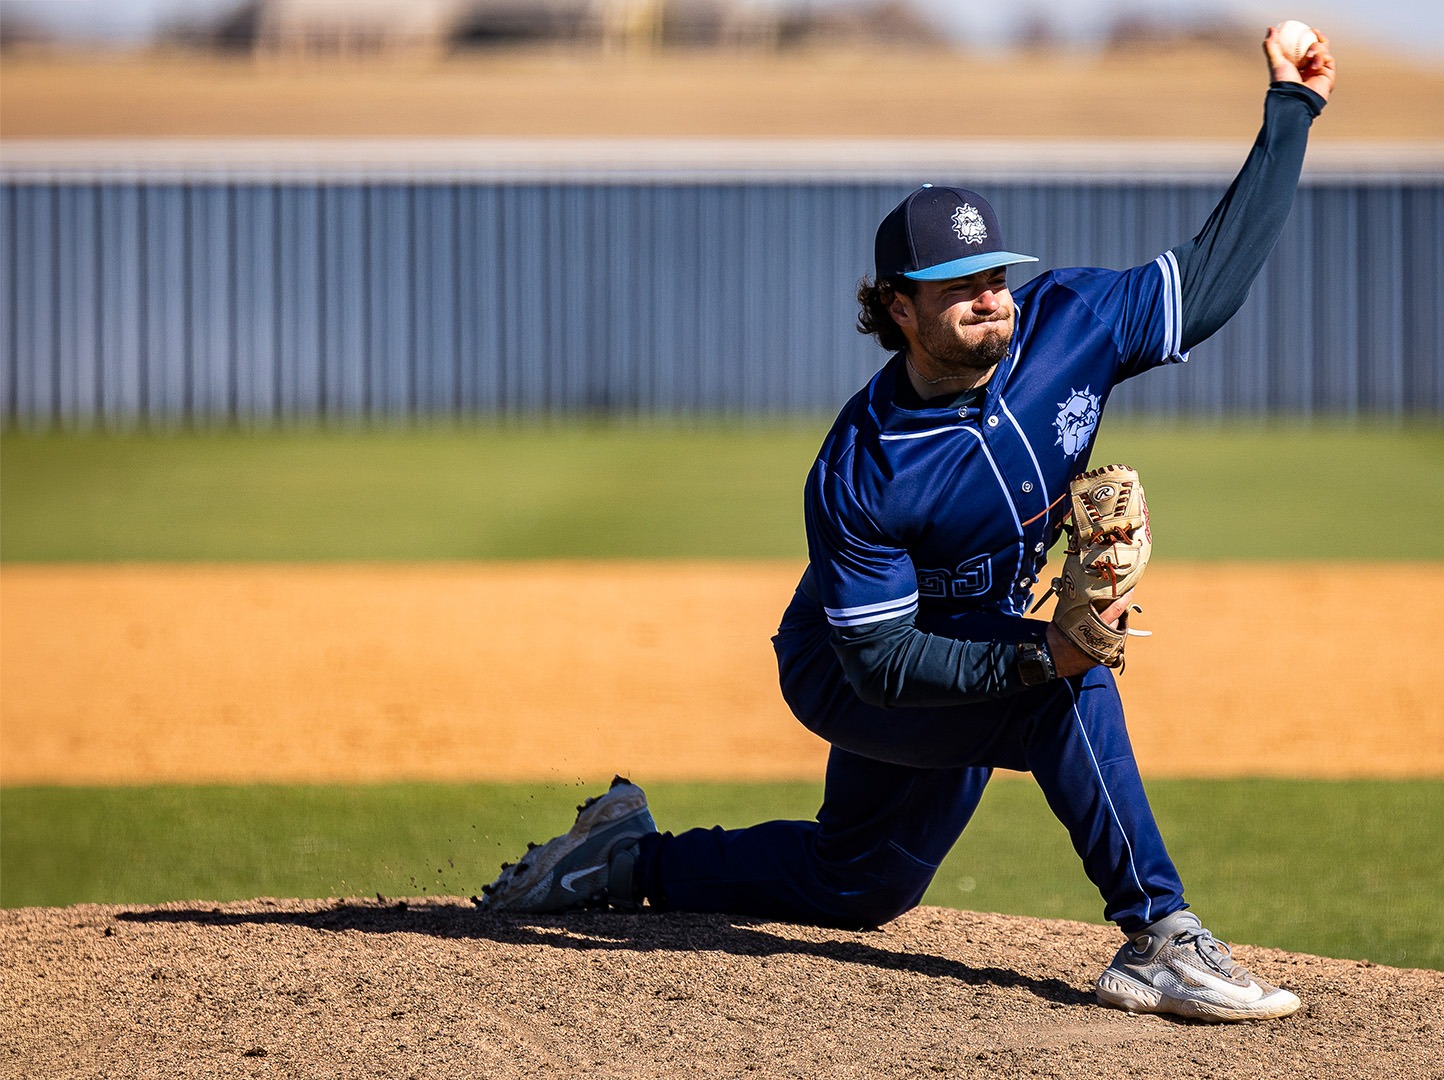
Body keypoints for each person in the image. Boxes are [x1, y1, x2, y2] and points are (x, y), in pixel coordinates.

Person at [480, 25, 1336, 1023]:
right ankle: (1159, 938)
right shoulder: (865, 465)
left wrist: (1292, 108)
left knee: (861, 882)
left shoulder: (1073, 323)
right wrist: (1040, 657)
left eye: (994, 277)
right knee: (1066, 693)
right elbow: (881, 665)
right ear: (897, 307)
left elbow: (1210, 277)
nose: (989, 299)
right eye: (957, 286)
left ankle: (629, 857)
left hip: (968, 642)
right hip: (854, 664)